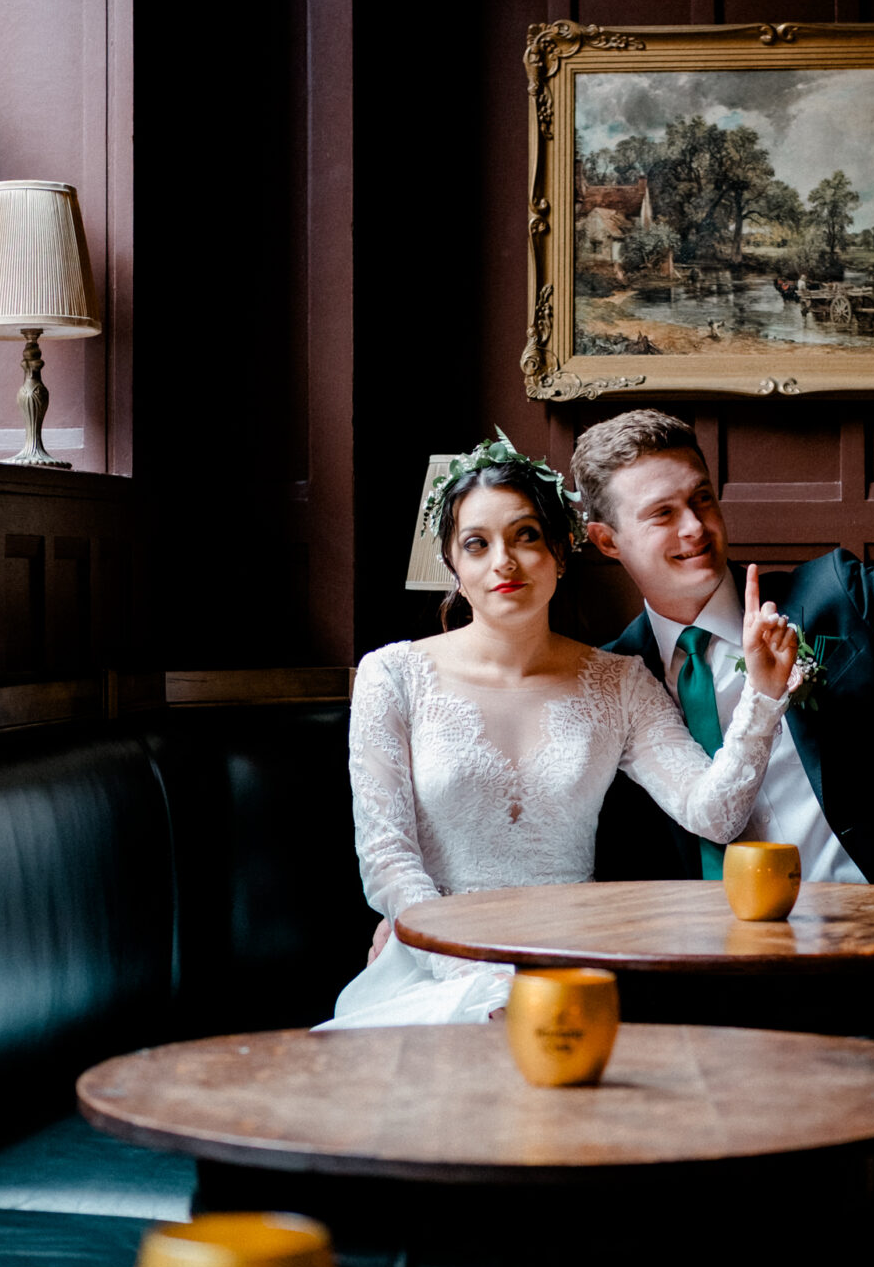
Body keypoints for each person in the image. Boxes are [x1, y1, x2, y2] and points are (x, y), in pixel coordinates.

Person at [318, 432, 799, 1028]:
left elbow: (714, 814)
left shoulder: (620, 681)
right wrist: (478, 976)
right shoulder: (391, 675)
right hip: (433, 966)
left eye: (526, 536)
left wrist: (763, 696)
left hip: (573, 964)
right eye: (477, 544)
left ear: (561, 553)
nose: (504, 562)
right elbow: (387, 858)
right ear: (453, 564)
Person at [574, 349, 874, 888]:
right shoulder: (612, 676)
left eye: (702, 499)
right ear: (607, 541)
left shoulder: (834, 596)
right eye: (662, 513)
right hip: (702, 952)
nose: (695, 527)